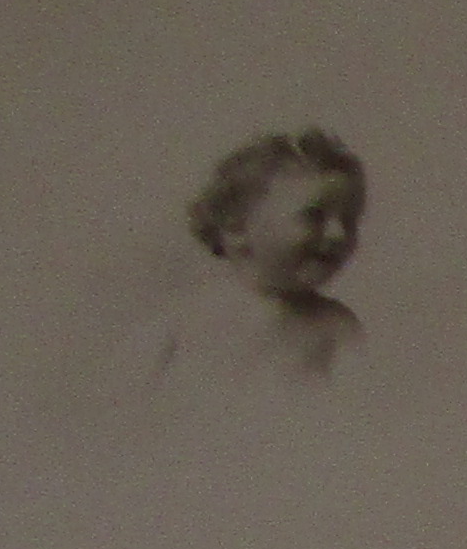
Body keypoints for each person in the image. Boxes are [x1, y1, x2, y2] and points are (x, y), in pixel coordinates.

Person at [155, 127, 367, 384]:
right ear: (236, 228)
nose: (338, 234)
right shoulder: (188, 323)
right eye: (314, 216)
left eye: (348, 220)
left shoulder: (336, 327)